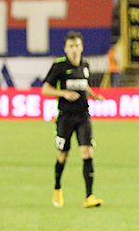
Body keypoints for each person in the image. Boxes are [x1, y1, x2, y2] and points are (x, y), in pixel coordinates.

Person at [42, 31, 105, 209]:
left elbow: (84, 85)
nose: (74, 49)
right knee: (63, 154)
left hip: (83, 115)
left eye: (77, 46)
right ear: (65, 49)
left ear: (82, 47)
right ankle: (57, 188)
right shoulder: (60, 66)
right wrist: (64, 93)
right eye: (71, 46)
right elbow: (45, 89)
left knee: (87, 152)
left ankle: (89, 196)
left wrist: (94, 95)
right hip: (65, 117)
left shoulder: (85, 65)